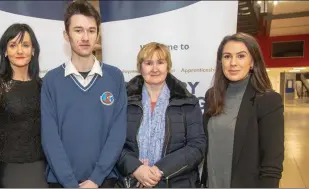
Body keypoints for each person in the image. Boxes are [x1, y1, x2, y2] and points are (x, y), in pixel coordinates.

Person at [40, 0, 127, 188]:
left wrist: (96, 178)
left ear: (98, 34)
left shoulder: (114, 77)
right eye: (78, 30)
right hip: (61, 183)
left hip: (105, 181)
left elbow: (117, 134)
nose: (85, 37)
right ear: (66, 34)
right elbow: (50, 139)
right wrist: (70, 184)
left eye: (91, 30)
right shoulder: (52, 80)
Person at [116, 42, 206, 188]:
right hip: (132, 182)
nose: (155, 69)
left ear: (168, 66)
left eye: (160, 62)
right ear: (140, 67)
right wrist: (136, 168)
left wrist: (160, 169)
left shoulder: (187, 101)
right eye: (148, 63)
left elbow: (197, 146)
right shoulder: (123, 100)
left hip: (176, 183)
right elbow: (113, 143)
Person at [201, 32, 284, 188]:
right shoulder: (212, 95)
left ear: (252, 62)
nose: (233, 63)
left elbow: (272, 164)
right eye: (227, 56)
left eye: (241, 56)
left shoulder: (268, 100)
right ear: (221, 62)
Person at [0, 23, 47, 188]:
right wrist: (4, 144)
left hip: (40, 169)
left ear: (33, 50)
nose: (19, 51)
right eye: (13, 45)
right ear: (5, 51)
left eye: (25, 45)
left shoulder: (43, 86)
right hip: (8, 171)